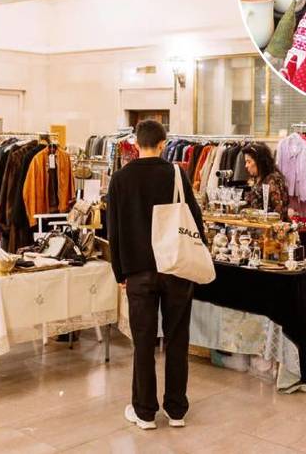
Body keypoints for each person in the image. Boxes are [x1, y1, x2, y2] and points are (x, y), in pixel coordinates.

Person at [107, 120, 205, 431]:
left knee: (144, 342)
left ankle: (145, 412)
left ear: (135, 143)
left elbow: (115, 230)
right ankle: (176, 410)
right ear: (163, 144)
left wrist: (119, 271)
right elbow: (195, 220)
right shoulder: (176, 174)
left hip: (138, 271)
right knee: (177, 339)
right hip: (175, 268)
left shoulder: (120, 179)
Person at [242, 142, 290, 219]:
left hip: (270, 228)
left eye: (249, 161)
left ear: (259, 162)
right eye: (246, 162)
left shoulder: (273, 180)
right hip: (257, 227)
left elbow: (278, 213)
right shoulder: (257, 179)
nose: (246, 165)